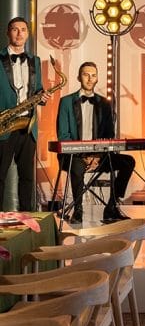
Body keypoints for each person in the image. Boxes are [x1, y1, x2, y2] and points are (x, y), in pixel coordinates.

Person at [56, 61, 134, 223]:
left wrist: (97, 156)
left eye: (93, 75)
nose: (90, 79)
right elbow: (63, 136)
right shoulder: (66, 102)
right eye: (86, 75)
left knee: (128, 161)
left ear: (97, 78)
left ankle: (112, 207)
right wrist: (84, 156)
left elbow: (109, 135)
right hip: (74, 156)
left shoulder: (104, 103)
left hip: (99, 156)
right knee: (77, 166)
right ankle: (78, 210)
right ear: (79, 77)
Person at [0, 17, 49, 211]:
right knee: (0, 175)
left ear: (28, 34)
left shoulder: (35, 61)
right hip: (5, 124)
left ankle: (27, 218)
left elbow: (37, 88)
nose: (19, 33)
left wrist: (42, 96)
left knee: (27, 177)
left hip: (28, 125)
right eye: (15, 29)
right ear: (8, 33)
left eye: (23, 30)